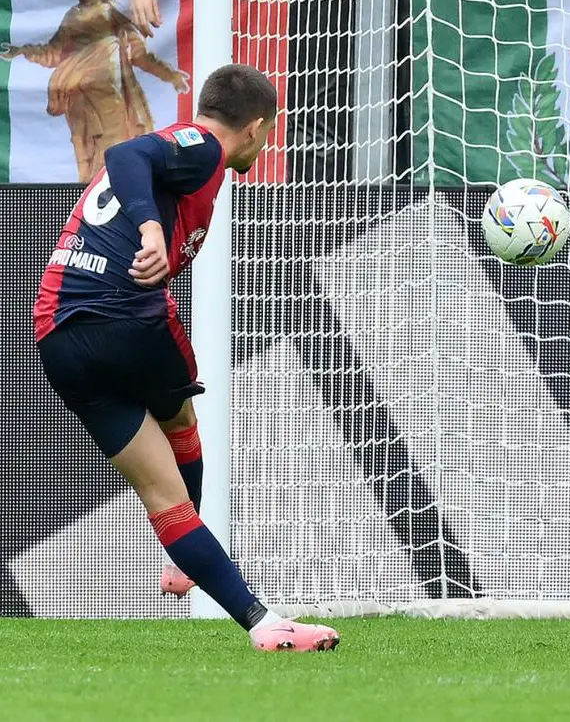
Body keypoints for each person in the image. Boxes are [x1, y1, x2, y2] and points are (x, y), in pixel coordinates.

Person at [33, 64, 340, 652]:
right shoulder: (201, 148)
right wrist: (151, 229)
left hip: (57, 337)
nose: (265, 141)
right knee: (181, 421)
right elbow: (125, 154)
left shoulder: (190, 160)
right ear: (254, 127)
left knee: (164, 500)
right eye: (268, 131)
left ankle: (254, 617)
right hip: (121, 314)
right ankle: (210, 576)